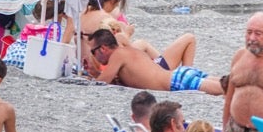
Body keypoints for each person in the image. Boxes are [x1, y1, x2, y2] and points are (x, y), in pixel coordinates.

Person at [88, 28, 224, 95]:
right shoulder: (128, 52)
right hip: (179, 75)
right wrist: (94, 72)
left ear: (103, 49)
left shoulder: (118, 55)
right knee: (226, 83)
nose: (94, 56)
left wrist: (92, 75)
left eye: (93, 52)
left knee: (226, 89)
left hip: (176, 82)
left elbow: (102, 83)